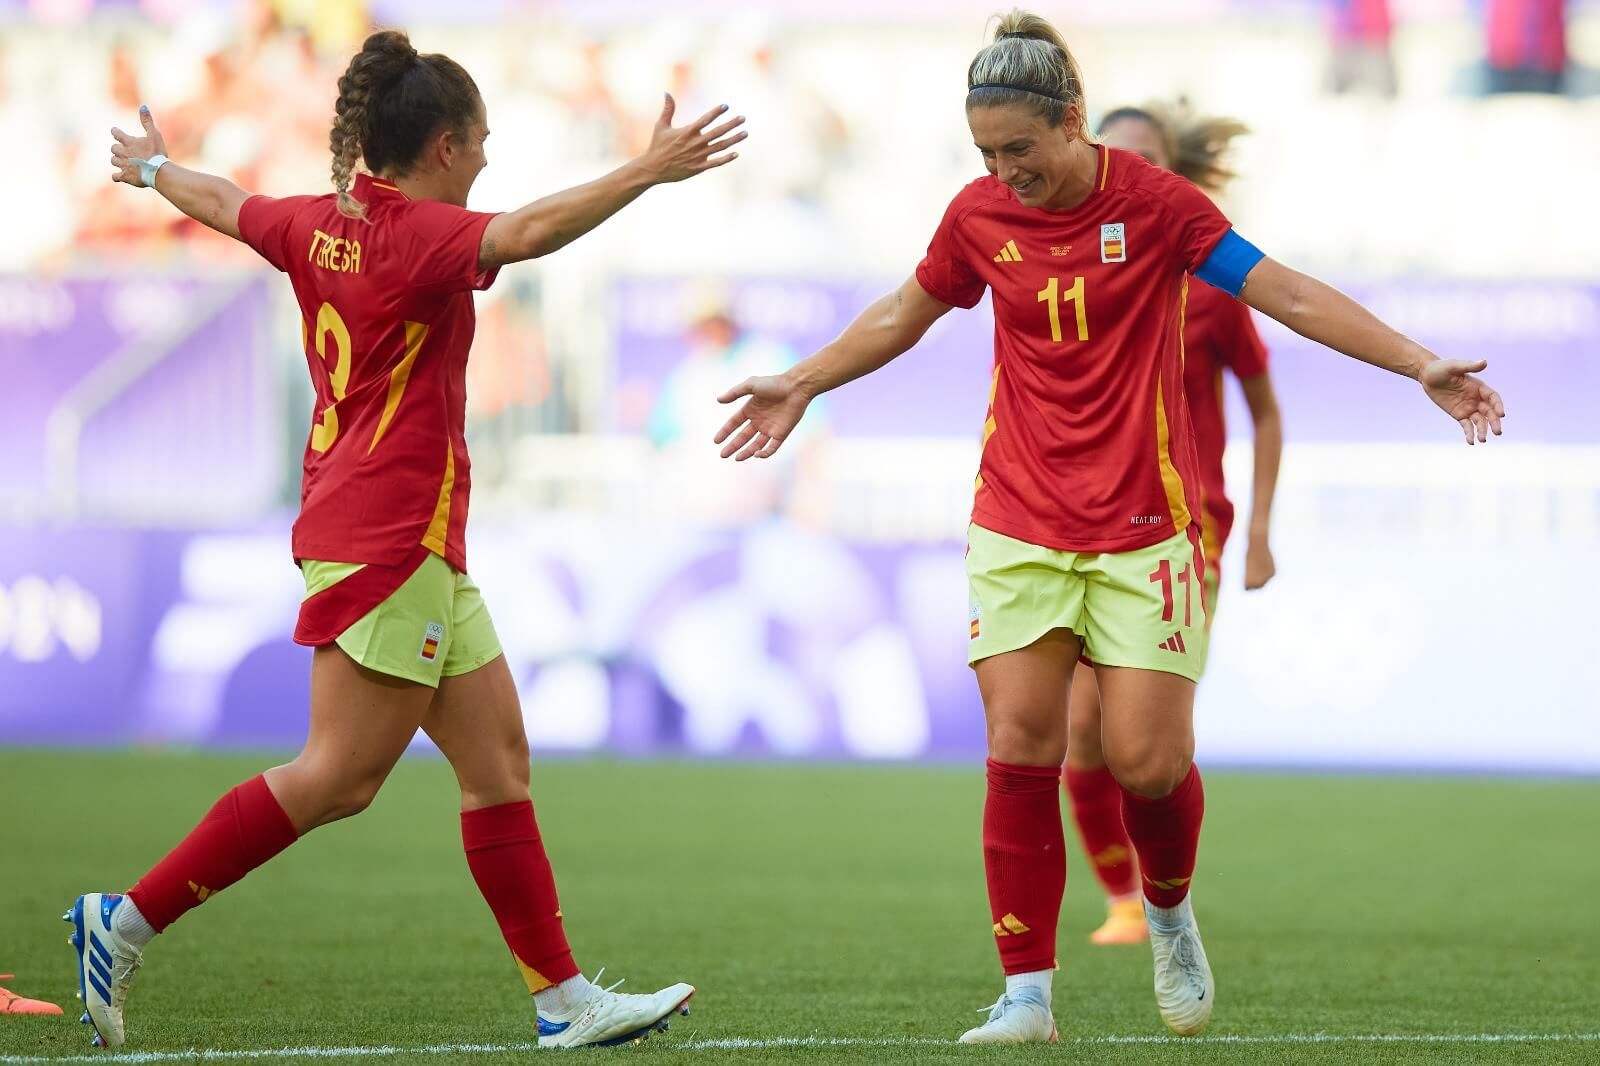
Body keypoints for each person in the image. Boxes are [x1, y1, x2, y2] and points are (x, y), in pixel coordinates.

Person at [714, 9, 1502, 1045]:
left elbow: (1288, 294)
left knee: (1145, 763)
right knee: (1020, 742)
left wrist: (1417, 364)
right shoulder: (974, 217)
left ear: (1072, 121)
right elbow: (901, 314)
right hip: (1016, 519)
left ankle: (1168, 910)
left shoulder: (1160, 207)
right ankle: (1025, 993)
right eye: (986, 153)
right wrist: (804, 383)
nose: (1005, 172)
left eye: (1019, 150)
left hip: (1144, 528)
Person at [75, 29, 744, 1051]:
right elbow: (523, 234)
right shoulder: (420, 237)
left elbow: (223, 202)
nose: (486, 159)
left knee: (498, 766)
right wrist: (647, 171)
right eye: (479, 141)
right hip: (387, 535)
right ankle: (121, 920)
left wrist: (156, 168)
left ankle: (561, 1000)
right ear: (441, 146)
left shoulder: (314, 222)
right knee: (337, 776)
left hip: (404, 534)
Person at [1061, 101, 1283, 949]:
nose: (1126, 174)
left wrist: (1258, 529)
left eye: (1146, 160)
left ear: (1175, 175)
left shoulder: (1215, 289)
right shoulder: (1066, 278)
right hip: (1078, 526)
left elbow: (1264, 412)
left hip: (1188, 529)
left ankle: (1166, 901)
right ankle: (1123, 900)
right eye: (1110, 158)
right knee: (1079, 731)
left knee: (1140, 744)